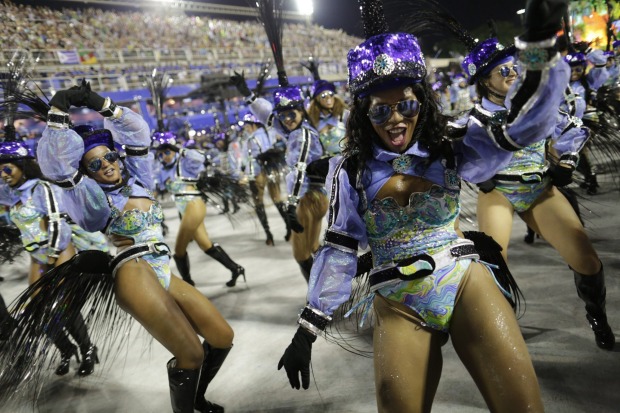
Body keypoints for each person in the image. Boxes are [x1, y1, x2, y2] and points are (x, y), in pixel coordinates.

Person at [277, 0, 571, 411]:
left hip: (465, 280)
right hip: (398, 301)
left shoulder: (451, 144)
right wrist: (307, 328)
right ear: (363, 112)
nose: (395, 118)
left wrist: (540, 51)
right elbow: (340, 250)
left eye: (406, 105)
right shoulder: (351, 171)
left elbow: (526, 126)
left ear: (422, 102)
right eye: (381, 109)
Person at [34, 84, 234, 413]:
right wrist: (58, 112)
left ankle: (195, 398)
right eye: (95, 165)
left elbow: (140, 134)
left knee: (222, 336)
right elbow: (58, 166)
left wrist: (102, 104)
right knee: (192, 355)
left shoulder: (139, 178)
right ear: (85, 172)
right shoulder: (92, 198)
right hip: (133, 272)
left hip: (161, 269)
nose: (107, 165)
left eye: (110, 156)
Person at [472, 44, 615, 350]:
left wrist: (567, 161)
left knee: (586, 259)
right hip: (499, 192)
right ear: (484, 80)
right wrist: (480, 176)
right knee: (494, 267)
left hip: (539, 188)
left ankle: (597, 316)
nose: (513, 74)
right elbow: (462, 153)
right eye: (504, 71)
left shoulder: (537, 105)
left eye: (515, 68)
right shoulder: (476, 118)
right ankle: (504, 330)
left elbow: (570, 129)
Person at [0, 135, 102, 377]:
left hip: (59, 249)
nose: (3, 174)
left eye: (6, 168)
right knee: (37, 308)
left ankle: (87, 349)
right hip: (37, 255)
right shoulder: (10, 194)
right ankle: (66, 350)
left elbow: (57, 222)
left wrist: (52, 254)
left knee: (63, 307)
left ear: (22, 166)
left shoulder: (41, 188)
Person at [153, 130, 246, 288]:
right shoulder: (162, 170)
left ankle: (188, 284)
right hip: (183, 208)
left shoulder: (184, 163)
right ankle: (236, 269)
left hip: (194, 204)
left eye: (167, 152)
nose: (164, 156)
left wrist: (179, 150)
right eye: (160, 154)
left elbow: (201, 157)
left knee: (179, 250)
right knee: (205, 244)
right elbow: (157, 188)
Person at [239, 112, 289, 245]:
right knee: (277, 199)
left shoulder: (250, 140)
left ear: (253, 125)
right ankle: (289, 228)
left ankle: (269, 235)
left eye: (247, 126)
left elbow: (245, 159)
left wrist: (242, 172)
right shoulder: (270, 133)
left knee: (258, 203)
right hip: (272, 168)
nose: (246, 129)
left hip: (256, 172)